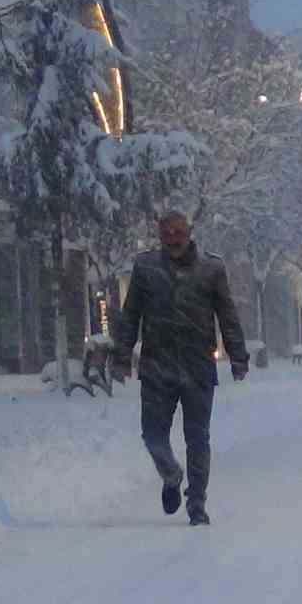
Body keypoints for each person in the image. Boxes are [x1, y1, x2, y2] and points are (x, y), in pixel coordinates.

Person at [110, 212, 249, 526]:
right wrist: (122, 354)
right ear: (160, 236)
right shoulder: (146, 268)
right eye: (167, 233)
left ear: (190, 233)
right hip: (156, 367)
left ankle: (197, 504)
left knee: (197, 438)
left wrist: (238, 355)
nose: (173, 238)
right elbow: (131, 314)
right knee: (152, 435)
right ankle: (171, 475)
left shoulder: (211, 269)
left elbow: (227, 315)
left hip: (198, 366)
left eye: (179, 232)